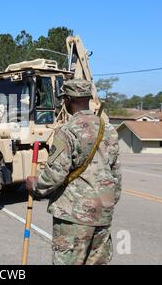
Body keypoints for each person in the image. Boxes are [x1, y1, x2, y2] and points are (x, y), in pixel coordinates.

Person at [26, 79, 122, 265]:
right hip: (103, 212)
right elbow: (116, 174)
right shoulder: (108, 130)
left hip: (74, 216)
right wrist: (108, 202)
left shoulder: (68, 131)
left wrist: (36, 186)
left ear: (68, 100)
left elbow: (56, 173)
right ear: (88, 98)